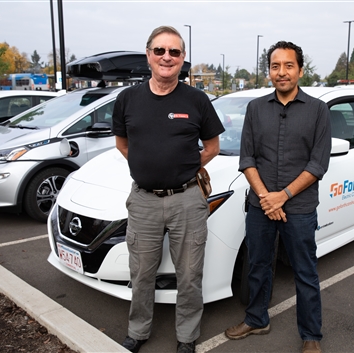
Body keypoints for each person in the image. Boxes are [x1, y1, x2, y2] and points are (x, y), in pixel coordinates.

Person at [112, 26, 225, 353]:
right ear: (148, 55)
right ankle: (138, 330)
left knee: (189, 275)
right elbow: (122, 144)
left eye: (174, 52)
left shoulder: (196, 100)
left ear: (183, 58)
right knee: (141, 273)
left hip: (188, 200)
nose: (167, 57)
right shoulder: (128, 99)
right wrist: (149, 166)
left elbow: (213, 146)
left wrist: (183, 167)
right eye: (160, 50)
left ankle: (187, 337)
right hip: (144, 202)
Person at [224, 41, 331, 353]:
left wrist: (281, 196)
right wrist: (265, 197)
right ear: (268, 71)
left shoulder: (317, 110)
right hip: (260, 206)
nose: (281, 72)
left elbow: (318, 164)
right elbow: (247, 159)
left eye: (288, 65)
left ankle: (311, 335)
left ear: (299, 69)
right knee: (257, 264)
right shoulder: (256, 109)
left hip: (299, 208)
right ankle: (256, 319)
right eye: (275, 66)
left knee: (305, 271)